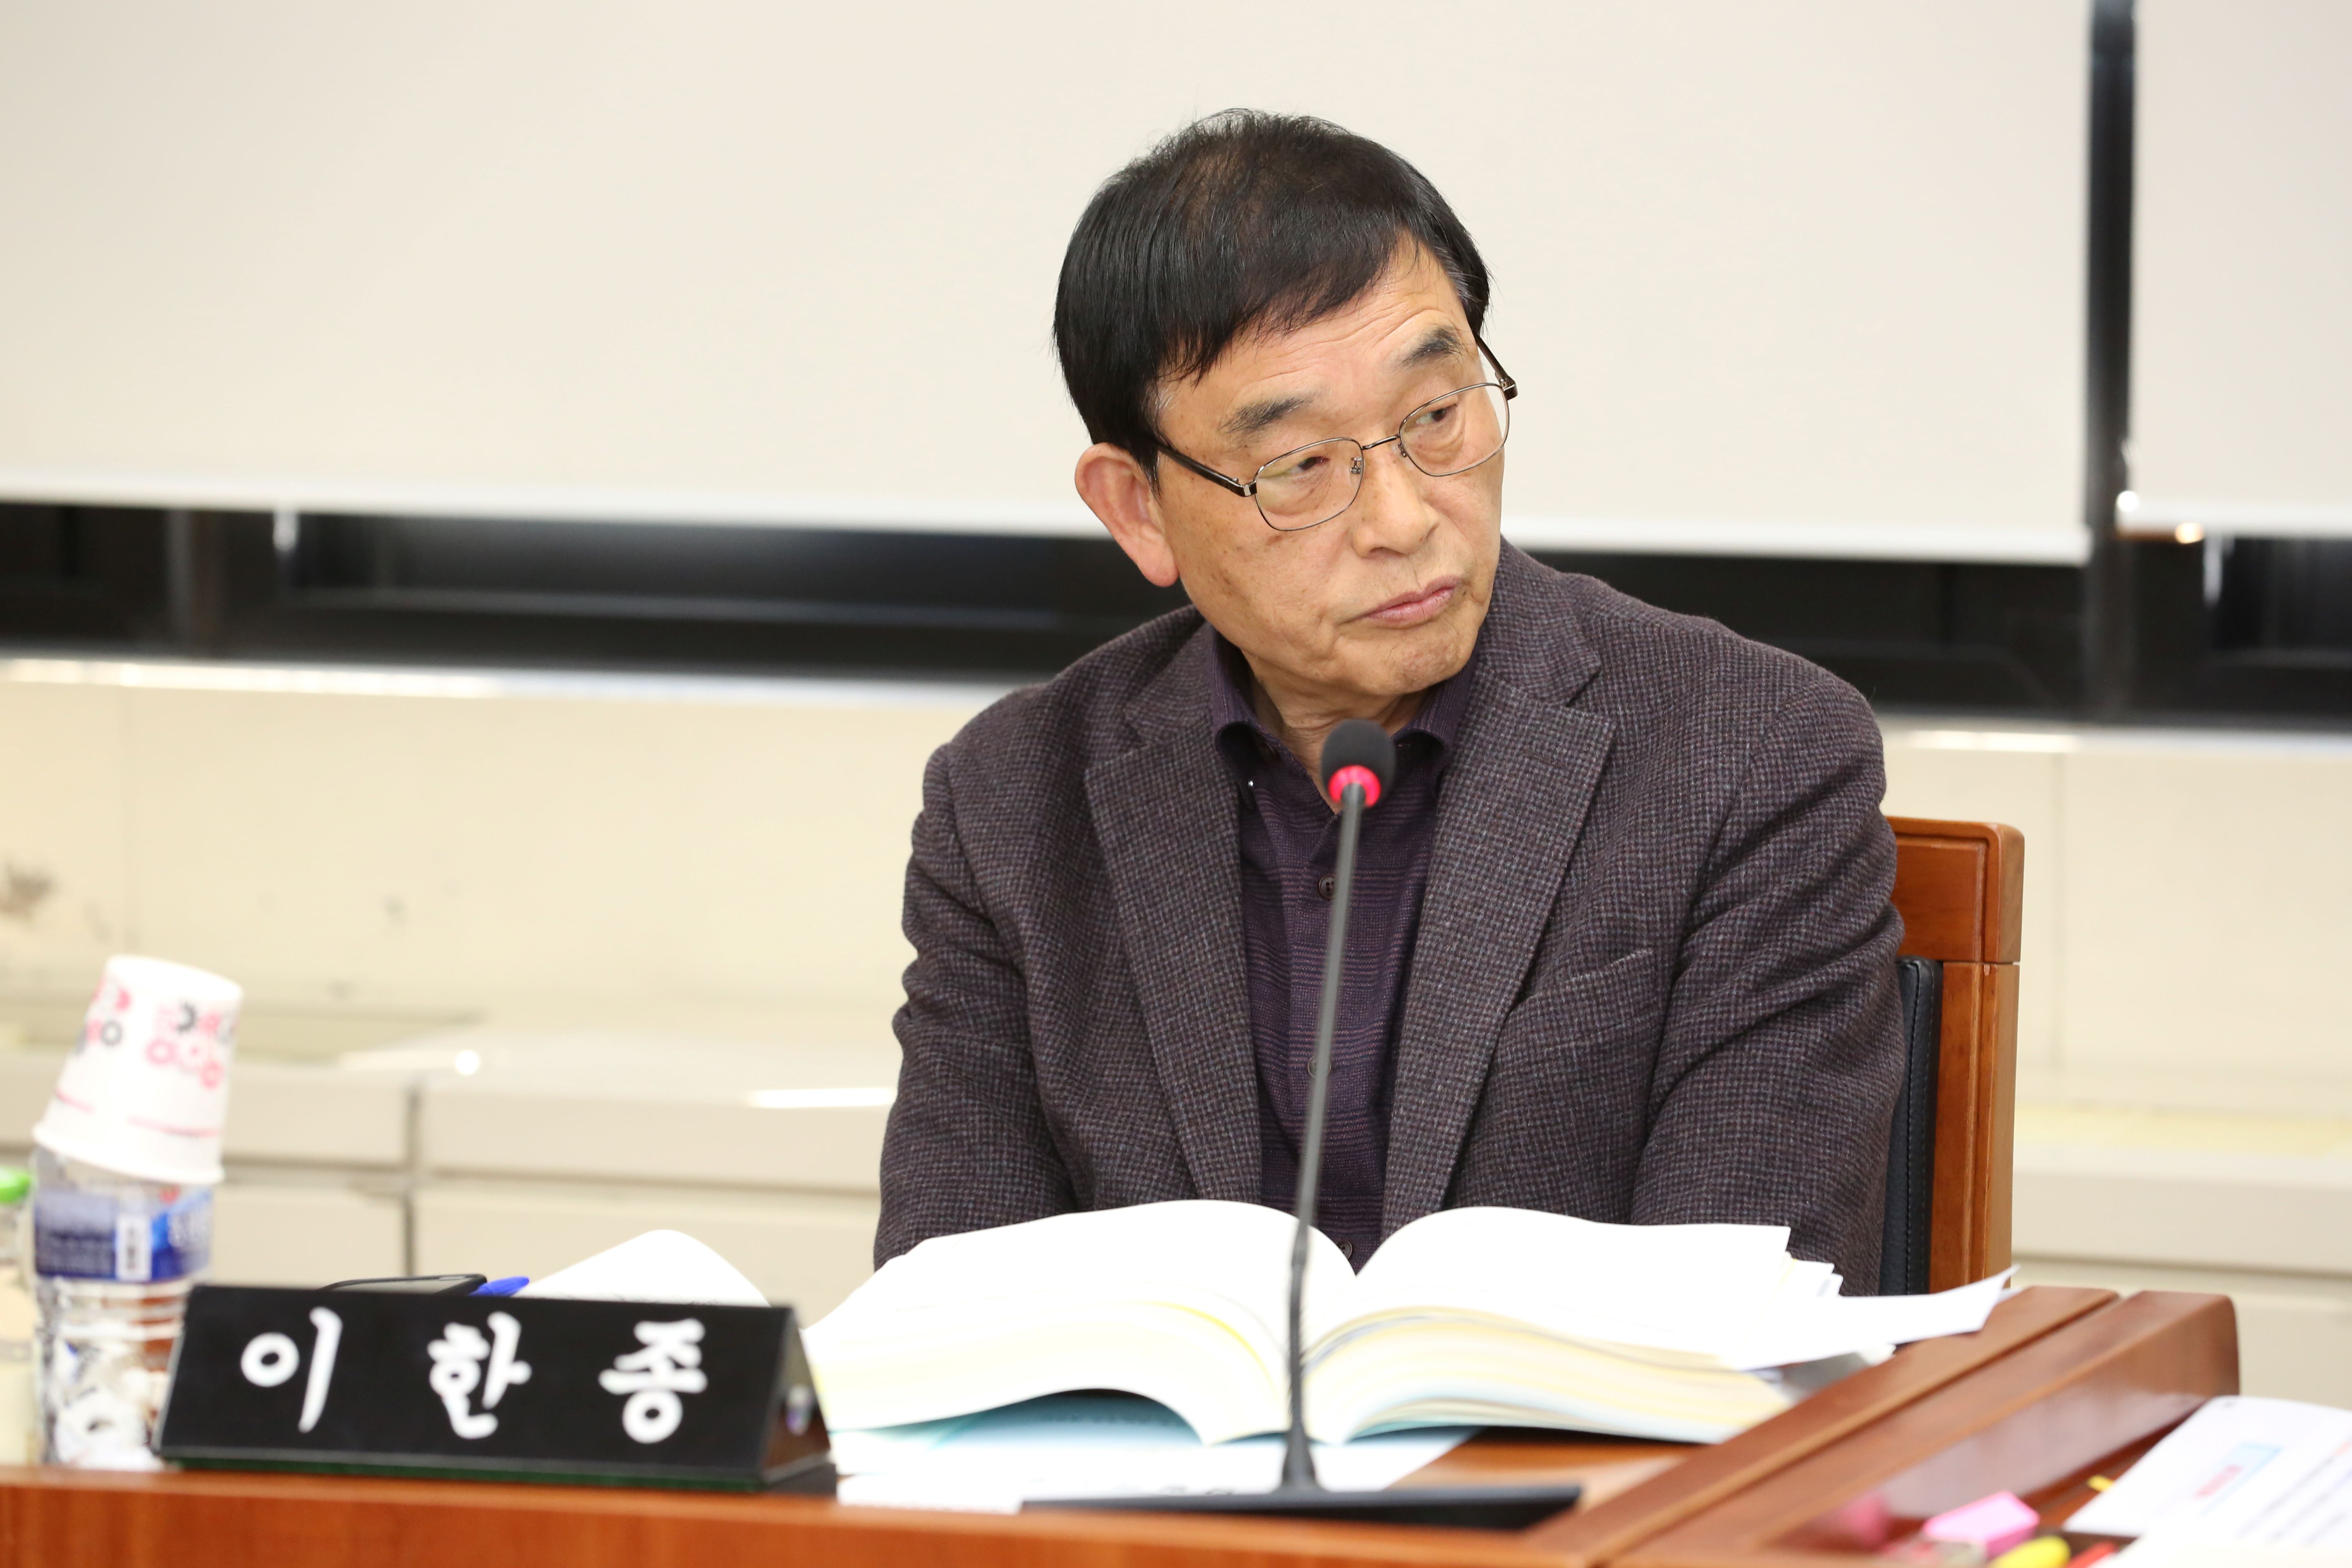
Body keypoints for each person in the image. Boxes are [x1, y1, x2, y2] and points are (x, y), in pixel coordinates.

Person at [876, 110, 1904, 1286]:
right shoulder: (1012, 806)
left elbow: (1741, 1305)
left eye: (1437, 416)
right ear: (1139, 510)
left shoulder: (1751, 753)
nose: (1405, 520)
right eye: (1300, 467)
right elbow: (957, 1305)